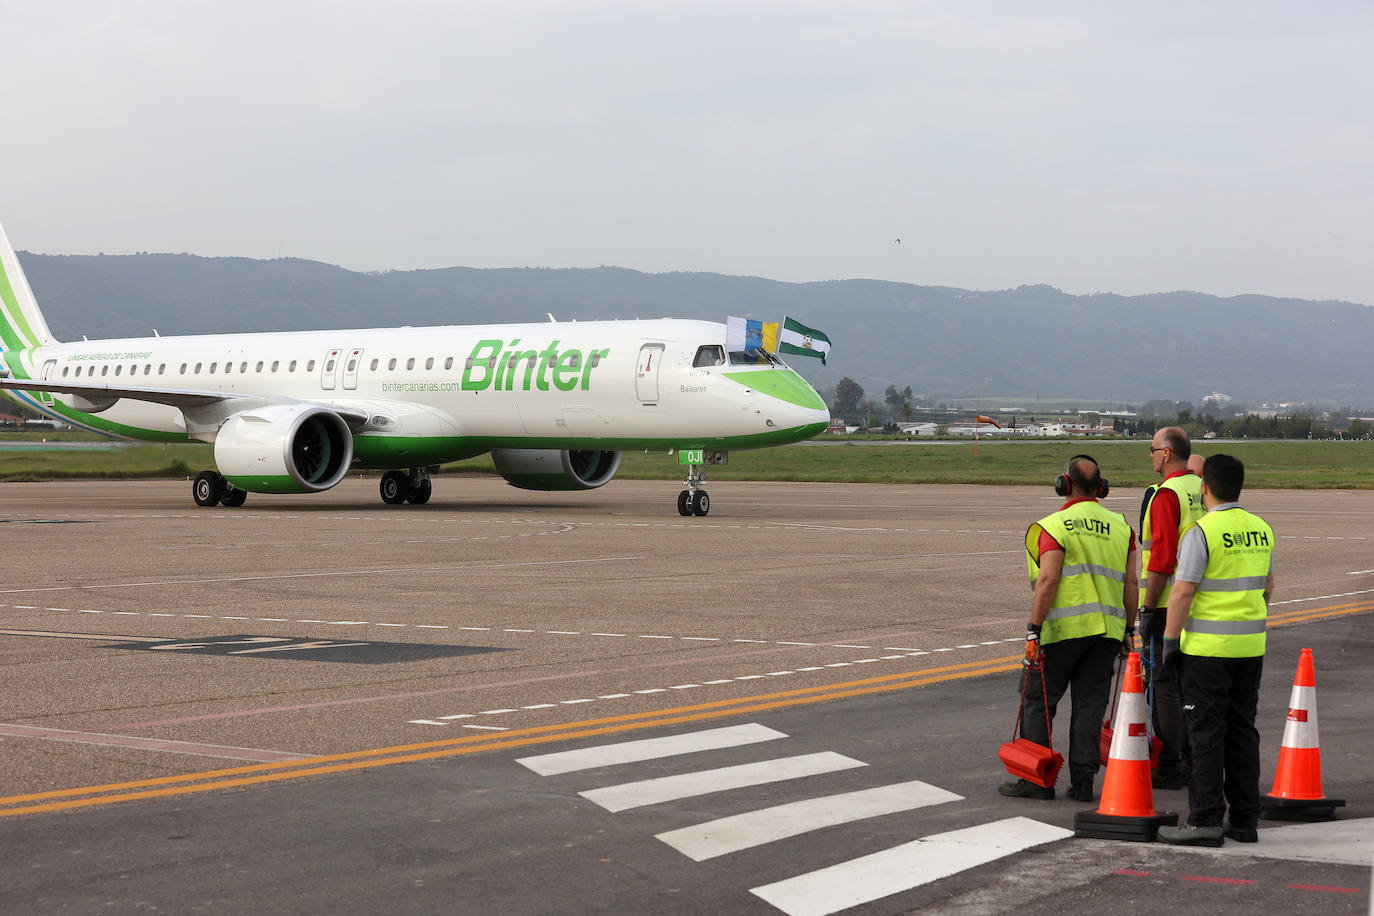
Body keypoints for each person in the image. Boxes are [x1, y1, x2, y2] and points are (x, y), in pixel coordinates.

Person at [1001, 455, 1139, 802]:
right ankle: (1083, 783)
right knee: (1089, 709)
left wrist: (1033, 628)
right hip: (1105, 634)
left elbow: (1048, 580)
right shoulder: (1122, 528)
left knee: (1038, 700)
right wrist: (1128, 629)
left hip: (1061, 633)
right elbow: (1132, 584)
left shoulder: (1054, 526)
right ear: (1101, 488)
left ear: (1063, 483)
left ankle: (1037, 780)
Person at [1157, 454, 1274, 846]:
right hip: (1250, 647)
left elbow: (1184, 589)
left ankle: (1206, 818)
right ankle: (1244, 820)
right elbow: (1267, 586)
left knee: (1206, 734)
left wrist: (1171, 641)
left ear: (1204, 486)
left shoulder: (1201, 532)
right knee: (1242, 731)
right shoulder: (1261, 528)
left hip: (1208, 651)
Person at [1138, 426, 1205, 789]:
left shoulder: (1167, 493)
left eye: (1151, 450)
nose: (1149, 456)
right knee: (1191, 683)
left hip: (1167, 603)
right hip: (1200, 600)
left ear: (1165, 454)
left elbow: (1161, 559)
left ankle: (1169, 761)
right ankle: (1194, 757)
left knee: (1164, 683)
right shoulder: (1201, 487)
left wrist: (1148, 610)